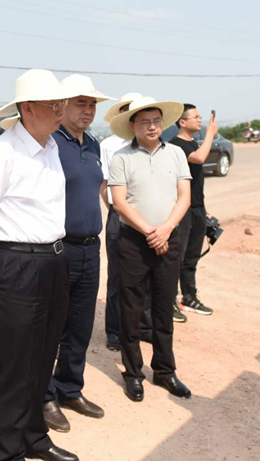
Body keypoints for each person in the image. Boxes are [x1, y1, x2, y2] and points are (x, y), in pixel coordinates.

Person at [0, 69, 80, 461]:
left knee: (43, 356)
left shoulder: (52, 147)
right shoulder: (1, 152)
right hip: (17, 265)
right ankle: (8, 451)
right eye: (53, 105)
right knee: (15, 365)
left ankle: (34, 437)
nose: (61, 111)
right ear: (27, 109)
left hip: (54, 261)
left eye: (61, 103)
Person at [41, 75, 113, 434]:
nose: (88, 110)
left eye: (92, 104)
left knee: (81, 326)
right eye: (81, 103)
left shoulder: (94, 145)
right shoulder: (50, 143)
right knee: (51, 327)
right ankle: (44, 396)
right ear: (62, 105)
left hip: (90, 248)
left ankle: (70, 388)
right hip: (59, 249)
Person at [108, 96, 192, 403]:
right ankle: (133, 373)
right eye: (145, 122)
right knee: (131, 309)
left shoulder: (176, 153)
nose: (152, 127)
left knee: (164, 307)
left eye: (157, 121)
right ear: (133, 126)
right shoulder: (121, 157)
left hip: (169, 238)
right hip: (134, 241)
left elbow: (184, 196)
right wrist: (149, 231)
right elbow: (120, 202)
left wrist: (166, 229)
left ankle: (165, 370)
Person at [100, 92, 145, 351]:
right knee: (117, 276)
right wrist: (115, 210)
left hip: (148, 218)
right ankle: (115, 332)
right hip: (119, 217)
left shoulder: (153, 144)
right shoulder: (109, 145)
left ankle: (141, 327)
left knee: (145, 275)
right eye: (127, 109)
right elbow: (104, 184)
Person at [170, 104, 218, 319]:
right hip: (182, 209)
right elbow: (199, 158)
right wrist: (210, 134)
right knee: (177, 258)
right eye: (195, 117)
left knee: (191, 258)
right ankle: (169, 301)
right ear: (182, 122)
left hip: (197, 208)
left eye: (200, 117)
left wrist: (204, 209)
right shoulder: (176, 145)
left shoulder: (192, 143)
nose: (200, 120)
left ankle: (189, 297)